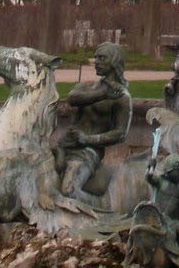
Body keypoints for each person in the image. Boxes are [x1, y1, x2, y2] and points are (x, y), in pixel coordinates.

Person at [57, 42, 133, 206]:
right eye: (96, 57)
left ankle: (100, 210)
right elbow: (72, 99)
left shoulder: (122, 97)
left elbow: (120, 133)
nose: (96, 61)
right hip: (64, 145)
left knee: (68, 191)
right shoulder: (86, 87)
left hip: (88, 152)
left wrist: (87, 139)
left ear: (114, 62)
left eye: (102, 58)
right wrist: (102, 94)